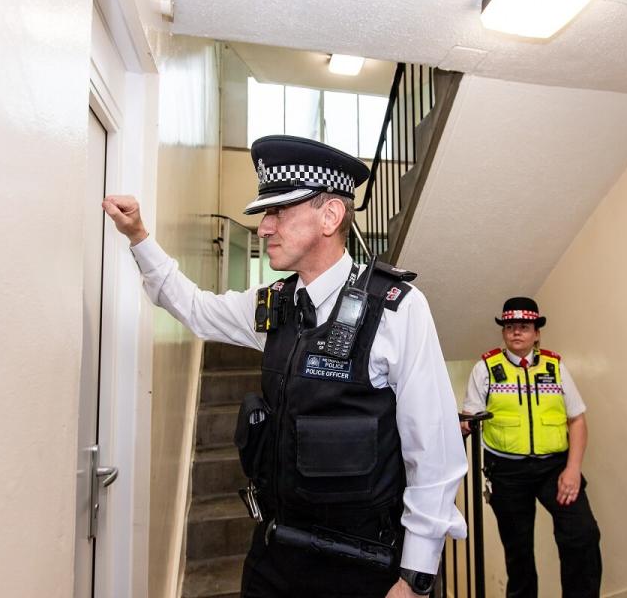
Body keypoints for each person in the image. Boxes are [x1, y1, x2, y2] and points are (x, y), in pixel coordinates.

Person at [103, 135, 468, 598]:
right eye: (264, 215)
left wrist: (416, 578)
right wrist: (139, 237)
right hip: (275, 557)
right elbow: (194, 308)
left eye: (278, 213)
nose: (263, 228)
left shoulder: (397, 309)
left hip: (362, 568)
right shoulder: (272, 305)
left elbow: (433, 451)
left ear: (330, 216)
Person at [461, 297, 601, 598]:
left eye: (524, 327)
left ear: (536, 332)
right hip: (507, 473)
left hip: (556, 468)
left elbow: (577, 420)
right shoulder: (485, 368)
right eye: (510, 327)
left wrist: (573, 470)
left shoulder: (555, 365)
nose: (516, 333)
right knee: (518, 553)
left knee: (582, 535)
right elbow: (470, 419)